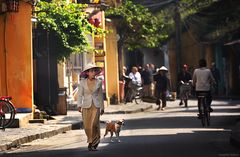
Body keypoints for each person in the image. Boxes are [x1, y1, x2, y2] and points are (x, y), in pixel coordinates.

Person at [77, 63, 104, 151]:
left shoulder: (99, 82)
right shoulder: (82, 83)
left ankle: (94, 142)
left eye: (94, 71)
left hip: (96, 106)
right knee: (87, 126)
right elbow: (80, 95)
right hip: (86, 106)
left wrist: (102, 107)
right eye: (91, 71)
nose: (93, 73)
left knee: (94, 124)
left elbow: (100, 96)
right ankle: (90, 141)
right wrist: (79, 105)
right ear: (87, 73)